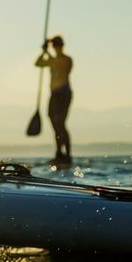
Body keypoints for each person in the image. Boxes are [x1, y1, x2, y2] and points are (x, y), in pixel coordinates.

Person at [35, 35, 74, 165]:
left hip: (64, 93)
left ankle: (67, 155)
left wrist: (46, 51)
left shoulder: (67, 59)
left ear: (62, 46)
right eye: (54, 46)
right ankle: (59, 153)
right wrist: (44, 51)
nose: (56, 48)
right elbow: (38, 63)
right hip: (54, 94)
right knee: (54, 123)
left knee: (60, 123)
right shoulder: (52, 59)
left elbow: (58, 65)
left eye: (57, 45)